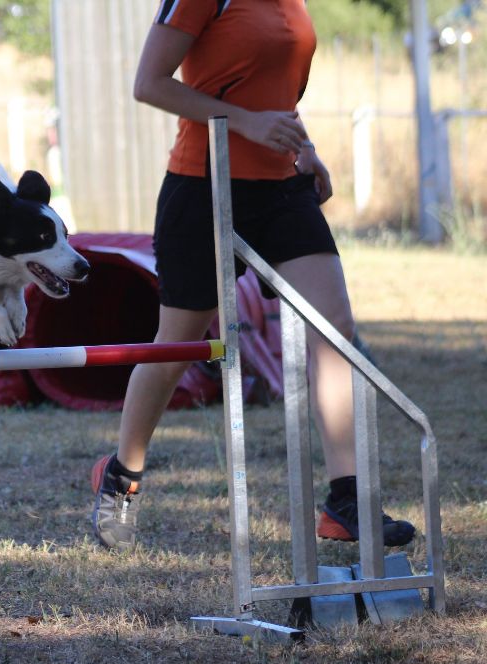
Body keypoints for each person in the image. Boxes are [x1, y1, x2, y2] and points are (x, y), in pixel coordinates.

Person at [90, 0, 416, 551]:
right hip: (203, 186)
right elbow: (149, 84)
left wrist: (304, 147)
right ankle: (121, 478)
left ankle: (347, 500)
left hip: (281, 190)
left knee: (332, 327)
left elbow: (273, 92)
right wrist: (243, 122)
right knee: (178, 344)